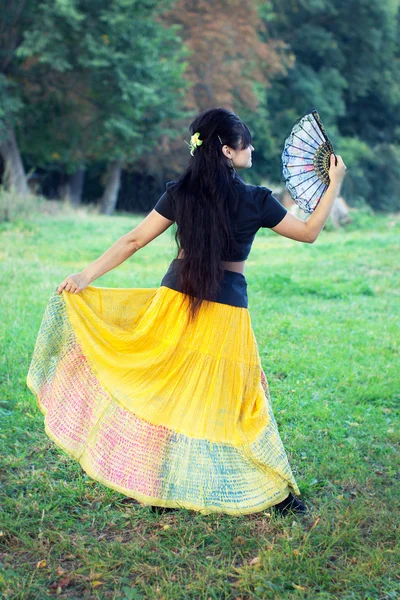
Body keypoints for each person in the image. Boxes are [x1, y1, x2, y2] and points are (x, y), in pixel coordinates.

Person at [26, 107, 347, 518]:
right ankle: (277, 496)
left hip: (174, 303)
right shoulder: (256, 200)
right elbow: (309, 232)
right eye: (245, 143)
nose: (252, 148)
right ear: (228, 152)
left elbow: (133, 240)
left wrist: (86, 275)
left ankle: (162, 489)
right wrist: (333, 183)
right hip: (225, 312)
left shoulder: (181, 191)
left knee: (165, 387)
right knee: (241, 399)